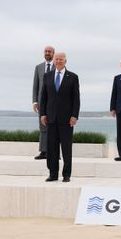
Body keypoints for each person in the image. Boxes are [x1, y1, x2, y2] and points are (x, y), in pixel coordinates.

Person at [40, 52, 80, 183]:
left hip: (67, 119)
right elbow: (44, 98)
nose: (58, 61)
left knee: (66, 148)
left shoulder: (73, 77)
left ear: (65, 61)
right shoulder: (47, 76)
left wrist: (74, 115)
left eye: (61, 59)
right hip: (51, 117)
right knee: (52, 148)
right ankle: (53, 174)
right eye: (56, 59)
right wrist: (43, 114)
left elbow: (76, 99)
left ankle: (66, 174)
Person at [32, 46, 55, 160]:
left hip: (54, 103)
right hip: (41, 103)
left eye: (49, 52)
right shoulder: (38, 67)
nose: (47, 53)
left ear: (53, 53)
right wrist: (35, 101)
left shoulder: (58, 66)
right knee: (43, 127)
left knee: (54, 128)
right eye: (45, 51)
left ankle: (54, 152)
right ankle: (43, 151)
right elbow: (35, 85)